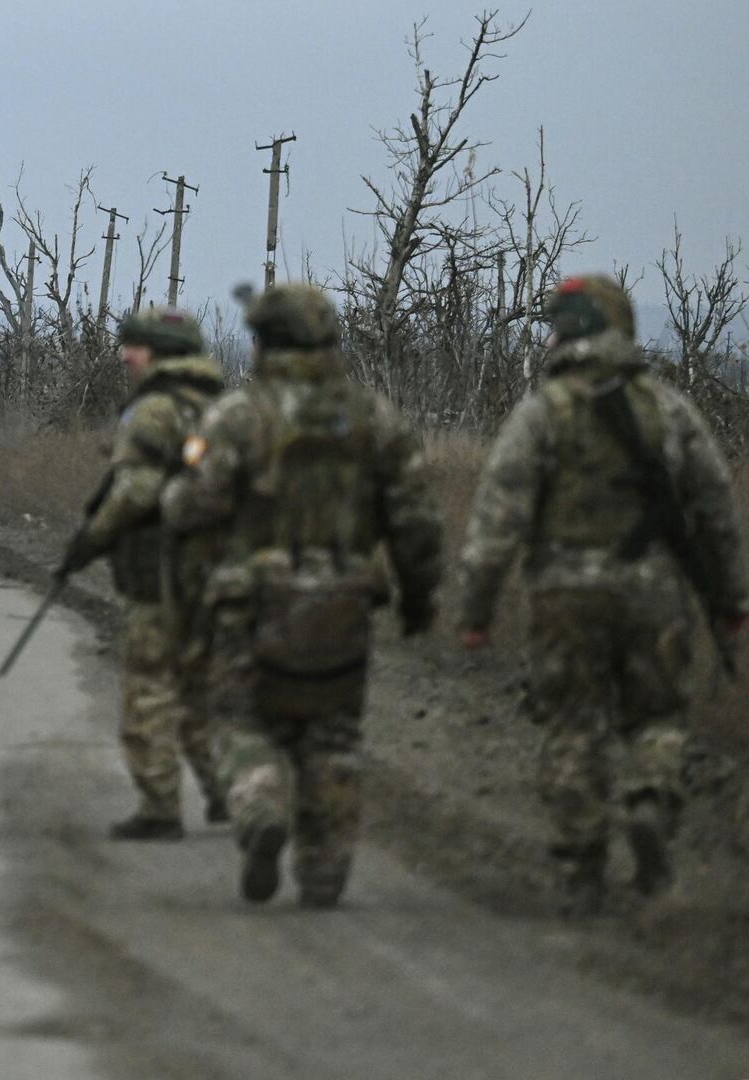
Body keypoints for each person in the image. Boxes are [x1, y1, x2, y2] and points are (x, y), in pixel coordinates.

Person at [456, 274, 747, 912]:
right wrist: (731, 603)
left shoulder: (542, 413)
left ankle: (581, 867)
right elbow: (718, 514)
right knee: (657, 717)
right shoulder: (668, 410)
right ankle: (649, 802)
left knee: (572, 725)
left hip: (565, 596)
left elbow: (497, 518)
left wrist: (475, 609)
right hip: (655, 593)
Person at [162, 283, 442, 907]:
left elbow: (189, 506)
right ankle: (324, 871)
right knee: (332, 736)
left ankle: (261, 806)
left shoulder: (237, 417)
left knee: (239, 719)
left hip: (250, 604)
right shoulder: (373, 417)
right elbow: (416, 520)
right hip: (342, 606)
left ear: (263, 343)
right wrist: (420, 596)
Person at [60, 305, 227, 840]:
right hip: (220, 570)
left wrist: (92, 539)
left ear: (158, 352)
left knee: (150, 687)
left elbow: (135, 491)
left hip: (160, 571)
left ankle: (160, 807)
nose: (124, 355)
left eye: (133, 346)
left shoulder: (153, 410)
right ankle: (235, 792)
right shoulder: (221, 407)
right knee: (201, 687)